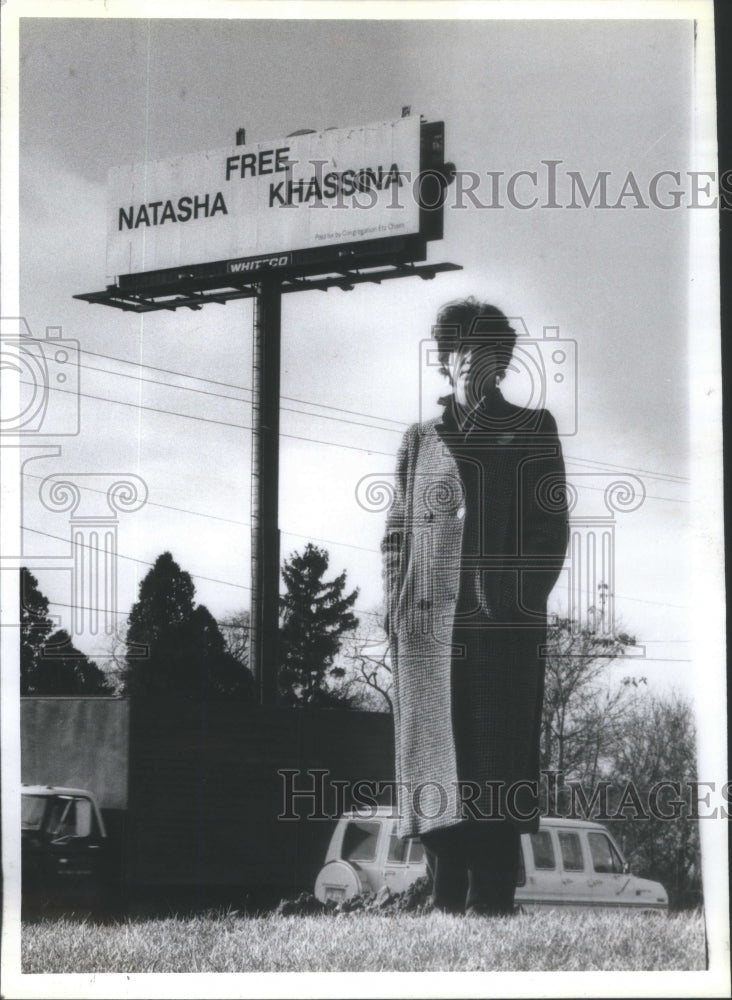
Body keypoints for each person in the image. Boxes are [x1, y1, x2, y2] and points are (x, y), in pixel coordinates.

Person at [382, 298, 569, 915]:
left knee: (491, 772)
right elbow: (395, 537)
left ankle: (492, 905)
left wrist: (516, 604)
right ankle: (443, 907)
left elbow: (550, 531)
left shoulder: (532, 427)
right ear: (446, 361)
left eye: (494, 350)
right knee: (437, 778)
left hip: (499, 634)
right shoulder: (419, 440)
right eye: (466, 350)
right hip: (428, 641)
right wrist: (398, 611)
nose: (481, 362)